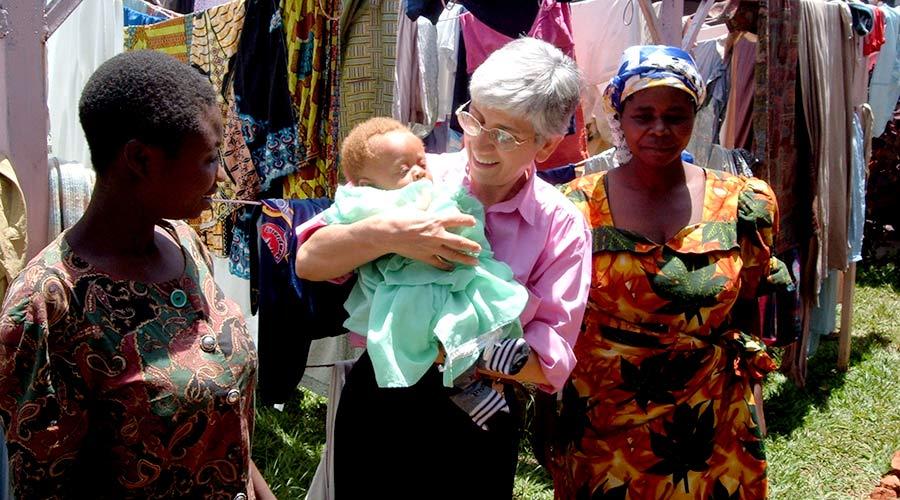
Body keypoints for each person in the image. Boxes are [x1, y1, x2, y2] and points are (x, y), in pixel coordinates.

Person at [295, 37, 592, 498]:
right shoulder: (410, 174)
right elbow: (311, 260)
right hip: (381, 395)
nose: (480, 142)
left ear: (548, 145)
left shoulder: (562, 226)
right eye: (476, 118)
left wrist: (445, 348)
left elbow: (548, 363)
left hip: (478, 413)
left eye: (506, 135)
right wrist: (394, 235)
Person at [0, 51, 274, 499]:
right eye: (208, 159)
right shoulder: (49, 304)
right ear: (141, 160)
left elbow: (217, 408)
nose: (220, 177)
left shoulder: (184, 244)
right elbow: (44, 484)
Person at [551, 45, 793, 499]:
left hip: (711, 415)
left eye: (676, 116)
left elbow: (747, 311)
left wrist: (752, 403)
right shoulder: (574, 206)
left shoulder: (742, 202)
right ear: (619, 119)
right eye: (643, 115)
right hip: (605, 422)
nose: (660, 130)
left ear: (695, 118)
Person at [325, 117, 533, 430]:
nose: (419, 171)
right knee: (428, 326)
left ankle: (486, 361)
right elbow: (332, 231)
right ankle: (475, 375)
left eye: (421, 161)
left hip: (451, 277)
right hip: (405, 287)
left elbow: (466, 218)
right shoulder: (363, 201)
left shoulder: (438, 187)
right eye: (403, 169)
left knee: (477, 306)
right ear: (367, 184)